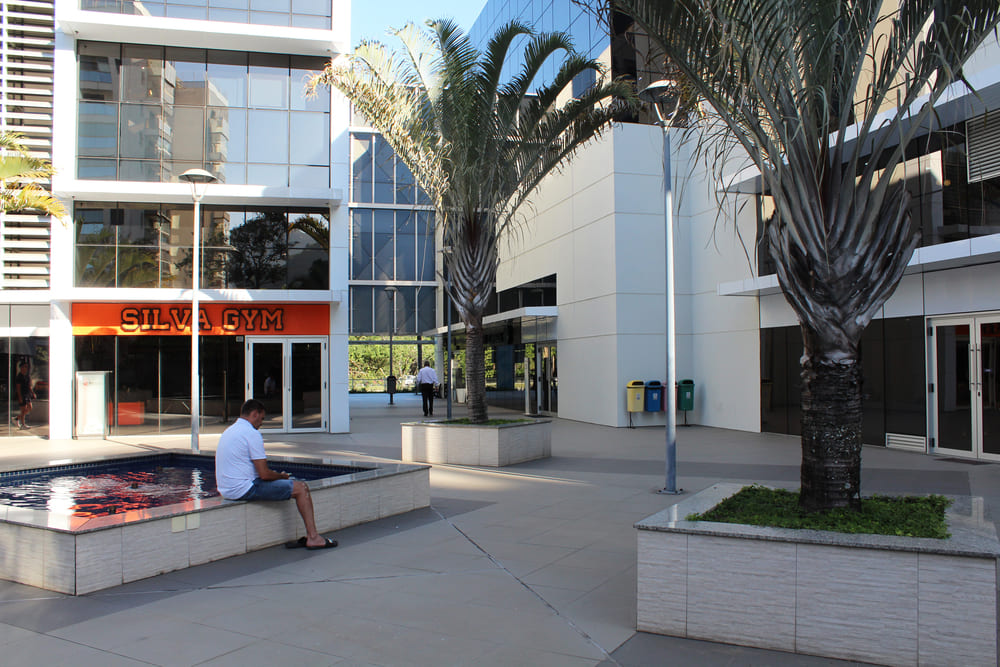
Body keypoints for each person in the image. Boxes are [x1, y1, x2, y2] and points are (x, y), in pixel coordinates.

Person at [215, 399, 337, 550]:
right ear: (255, 414)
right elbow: (264, 474)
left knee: (289, 485)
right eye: (262, 419)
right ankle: (313, 538)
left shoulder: (230, 431)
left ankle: (310, 536)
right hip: (243, 488)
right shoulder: (251, 433)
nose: (261, 423)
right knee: (301, 488)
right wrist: (282, 477)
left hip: (226, 489)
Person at [13, 362, 33, 430]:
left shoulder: (27, 376)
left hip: (27, 394)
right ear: (21, 368)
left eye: (27, 367)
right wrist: (20, 397)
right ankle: (23, 425)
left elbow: (29, 386)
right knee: (23, 410)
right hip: (22, 395)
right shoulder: (19, 377)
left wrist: (32, 393)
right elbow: (18, 388)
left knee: (30, 408)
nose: (26, 368)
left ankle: (17, 418)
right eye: (25, 367)